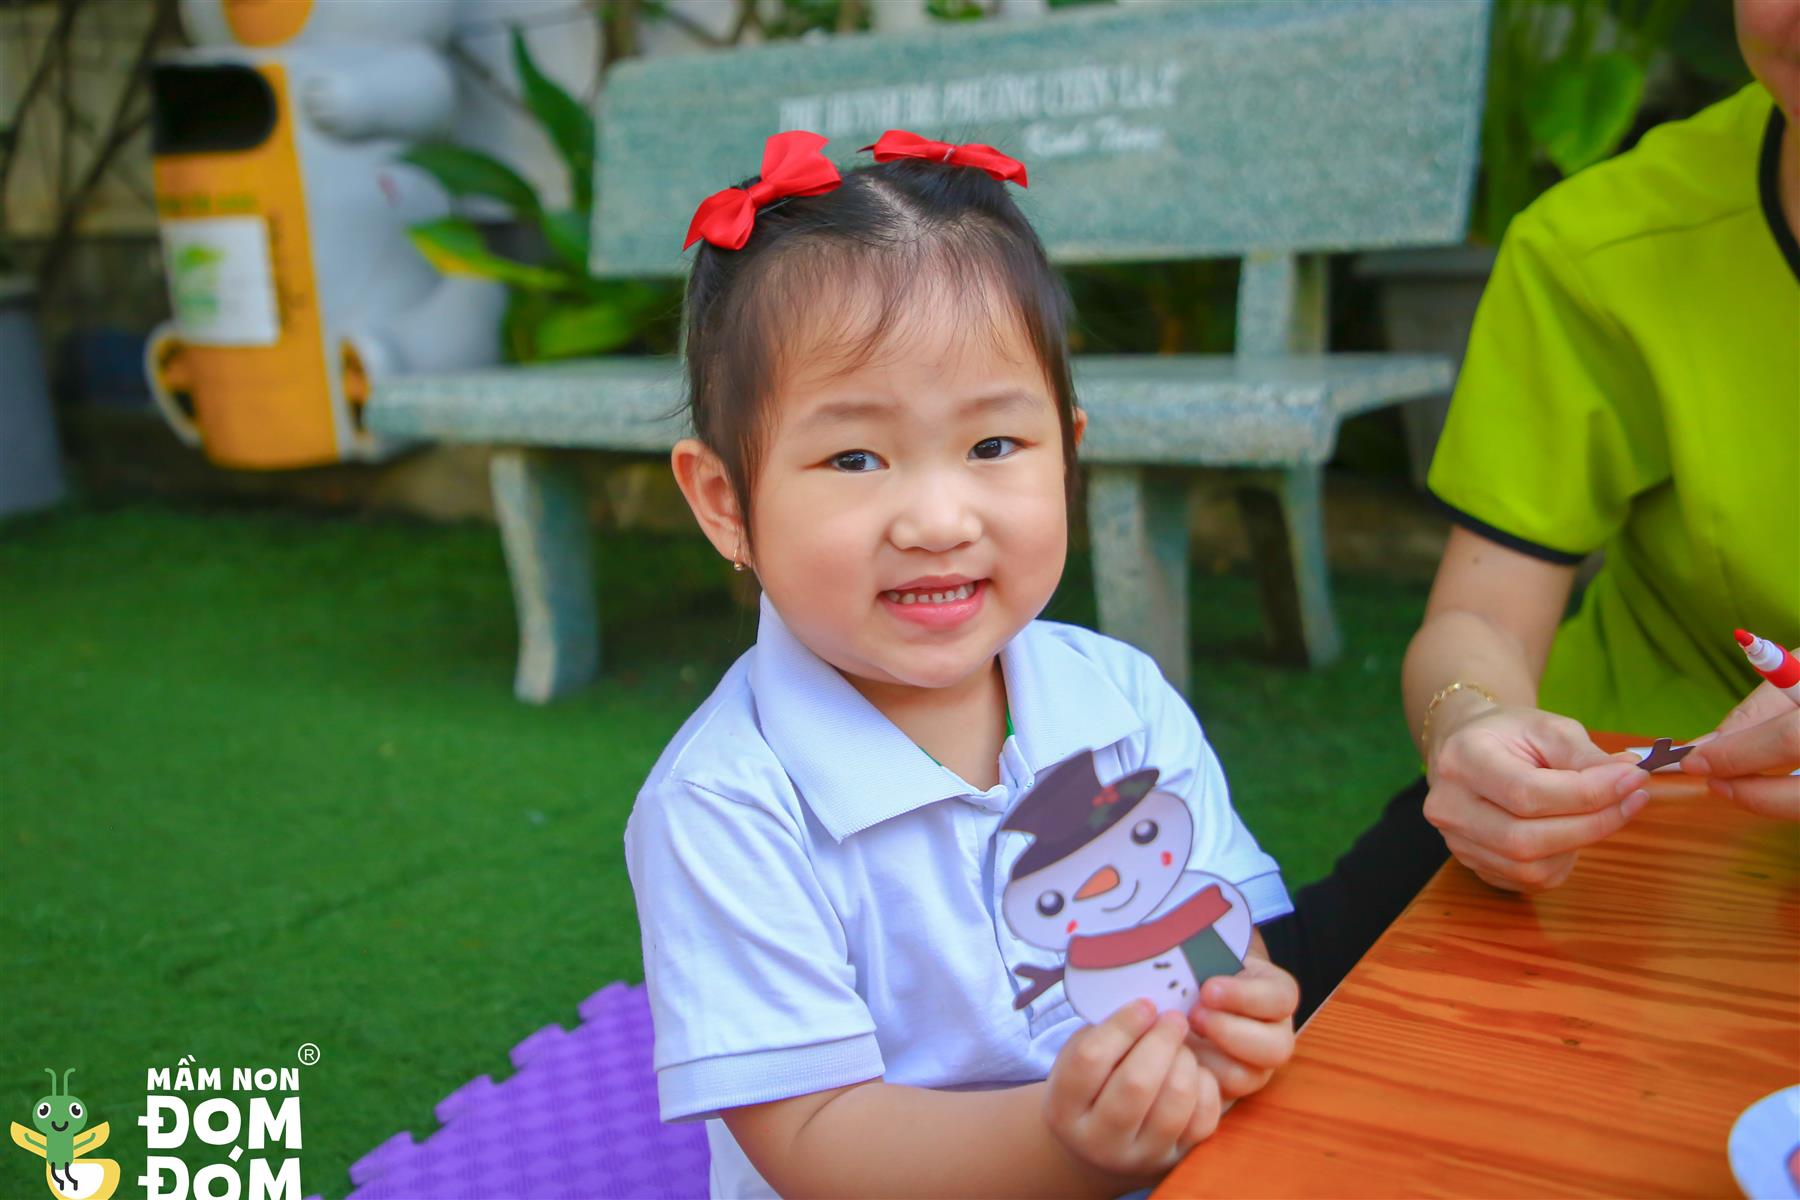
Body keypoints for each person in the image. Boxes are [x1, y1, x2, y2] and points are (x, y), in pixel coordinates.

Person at [624, 131, 1300, 1199]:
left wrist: (1237, 1014)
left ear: (1067, 451)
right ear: (724, 502)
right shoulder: (726, 807)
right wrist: (1068, 1145)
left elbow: (1209, 928)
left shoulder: (1120, 699)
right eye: (855, 458)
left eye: (993, 447)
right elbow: (816, 1136)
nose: (939, 520)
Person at [1264, 0, 1799, 1022]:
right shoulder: (1604, 243)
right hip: (1630, 808)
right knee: (1263, 1008)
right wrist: (1474, 726)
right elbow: (1481, 616)